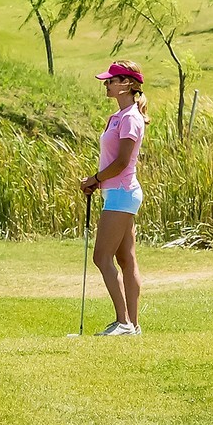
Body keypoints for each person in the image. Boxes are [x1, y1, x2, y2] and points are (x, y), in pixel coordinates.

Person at [78, 61, 146, 337]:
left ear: (127, 84)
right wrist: (98, 182)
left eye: (111, 81)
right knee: (125, 260)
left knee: (101, 256)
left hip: (121, 193)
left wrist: (95, 179)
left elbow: (121, 162)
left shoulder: (131, 118)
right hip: (118, 192)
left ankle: (124, 322)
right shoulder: (118, 116)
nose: (106, 85)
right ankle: (132, 324)